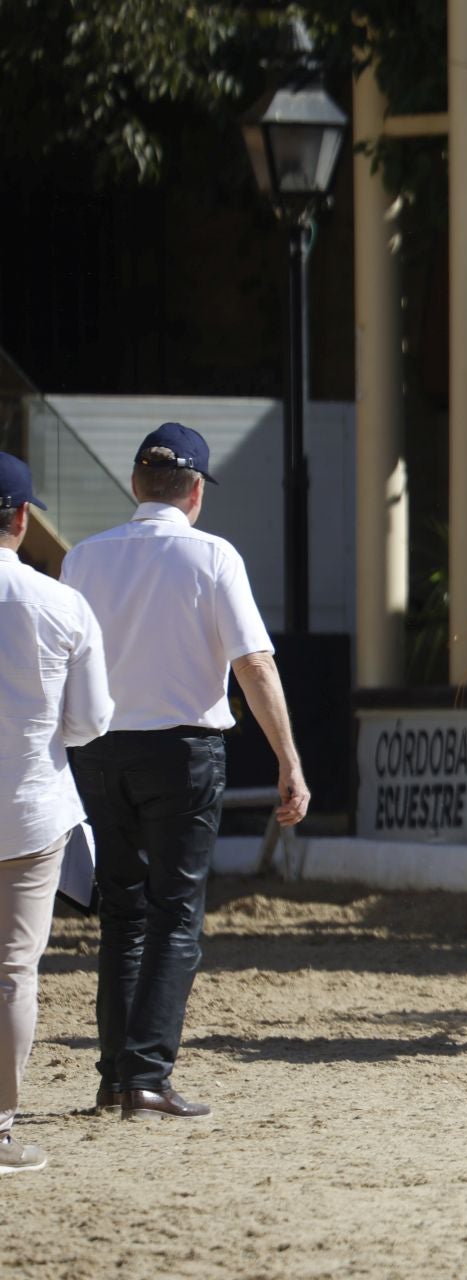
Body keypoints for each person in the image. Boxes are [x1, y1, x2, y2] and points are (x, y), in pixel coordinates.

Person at [63, 422, 308, 1121]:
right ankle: (145, 1075)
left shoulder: (83, 557)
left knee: (123, 915)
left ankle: (115, 1076)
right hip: (184, 752)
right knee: (176, 915)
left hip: (101, 749)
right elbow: (254, 664)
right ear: (195, 491)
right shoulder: (213, 556)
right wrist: (289, 759)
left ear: (137, 484)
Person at [0, 452, 114, 1172]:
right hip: (30, 807)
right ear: (20, 516)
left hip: (31, 807)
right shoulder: (62, 603)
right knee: (14, 970)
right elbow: (92, 721)